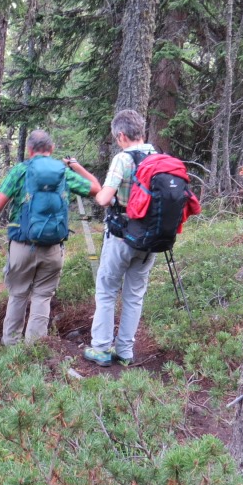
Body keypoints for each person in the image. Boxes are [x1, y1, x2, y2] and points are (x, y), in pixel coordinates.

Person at [0, 130, 102, 345]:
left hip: (22, 245)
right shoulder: (63, 172)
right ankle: (35, 347)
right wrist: (76, 166)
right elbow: (96, 188)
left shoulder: (21, 170)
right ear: (52, 149)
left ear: (30, 150)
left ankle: (11, 345)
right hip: (53, 247)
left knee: (18, 294)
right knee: (42, 296)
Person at [84, 109, 159, 367]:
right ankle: (125, 352)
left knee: (106, 290)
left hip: (122, 235)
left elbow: (104, 199)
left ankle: (101, 348)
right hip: (151, 237)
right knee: (134, 295)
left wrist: (99, 194)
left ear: (122, 135)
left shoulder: (123, 159)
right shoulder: (158, 157)